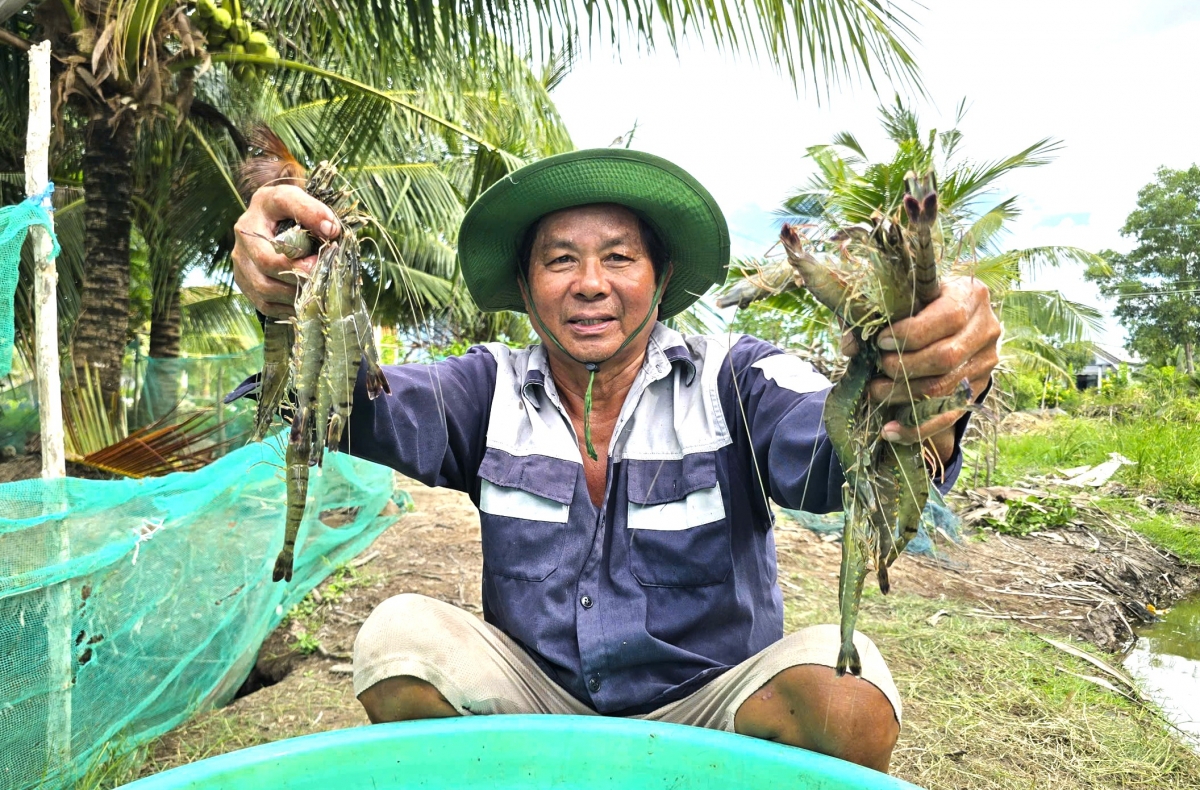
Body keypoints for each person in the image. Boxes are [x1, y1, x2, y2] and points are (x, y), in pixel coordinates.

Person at [230, 149, 1001, 773]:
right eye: (559, 259)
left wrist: (934, 385)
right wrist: (283, 304)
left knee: (849, 685)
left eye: (620, 258)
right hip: (540, 711)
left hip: (709, 717)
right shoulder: (482, 388)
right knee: (398, 639)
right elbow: (346, 403)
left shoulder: (734, 378)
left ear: (660, 280)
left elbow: (846, 447)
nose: (590, 284)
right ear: (528, 290)